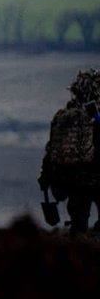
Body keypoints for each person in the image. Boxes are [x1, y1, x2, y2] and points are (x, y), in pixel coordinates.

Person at [38, 68, 100, 237]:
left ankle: (78, 249)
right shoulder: (95, 116)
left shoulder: (65, 116)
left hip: (71, 181)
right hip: (95, 178)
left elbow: (51, 150)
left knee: (78, 223)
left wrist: (45, 178)